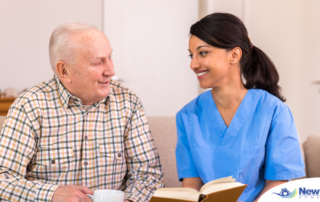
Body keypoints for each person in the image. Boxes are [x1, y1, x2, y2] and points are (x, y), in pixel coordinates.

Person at [0, 22, 164, 202]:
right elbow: (3, 179)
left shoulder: (128, 103)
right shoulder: (29, 106)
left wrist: (130, 201)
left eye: (110, 57)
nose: (111, 70)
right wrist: (52, 194)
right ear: (64, 71)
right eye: (98, 62)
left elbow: (149, 176)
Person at [175, 13, 305, 202]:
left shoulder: (274, 111)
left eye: (203, 53)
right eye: (191, 55)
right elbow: (191, 186)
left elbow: (277, 185)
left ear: (234, 55)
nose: (193, 64)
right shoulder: (187, 116)